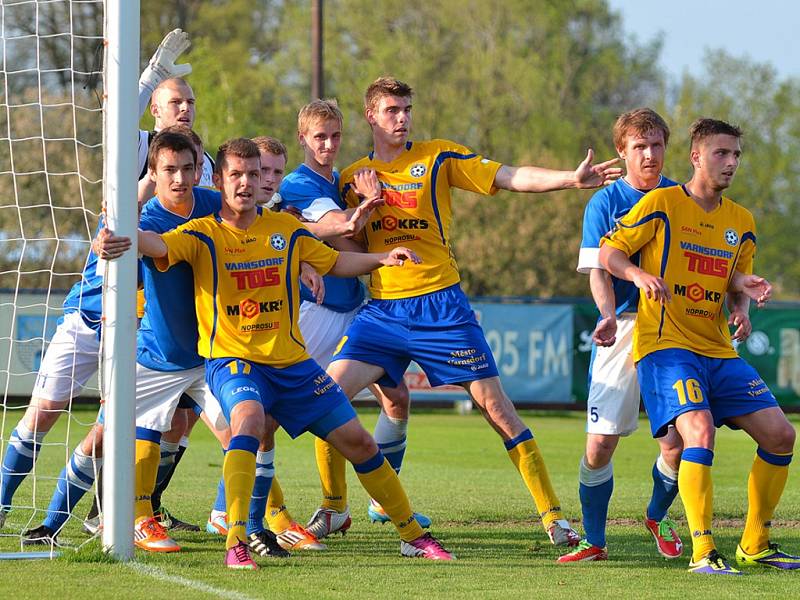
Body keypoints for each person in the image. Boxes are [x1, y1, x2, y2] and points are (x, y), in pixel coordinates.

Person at [310, 76, 622, 546]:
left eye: (407, 108)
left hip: (443, 308)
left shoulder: (438, 156)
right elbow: (346, 245)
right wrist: (365, 208)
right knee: (325, 399)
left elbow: (508, 175)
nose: (402, 117)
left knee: (499, 411)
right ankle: (334, 509)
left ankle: (553, 517)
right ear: (371, 115)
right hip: (383, 312)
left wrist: (569, 180)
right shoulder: (355, 177)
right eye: (392, 109)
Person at [125, 137, 454, 569]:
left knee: (357, 441)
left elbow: (334, 262)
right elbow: (156, 246)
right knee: (248, 420)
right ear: (220, 181)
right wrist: (119, 233)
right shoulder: (201, 234)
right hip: (234, 361)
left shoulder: (283, 229)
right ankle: (238, 539)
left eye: (254, 174)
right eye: (236, 175)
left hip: (293, 364)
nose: (246, 183)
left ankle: (412, 535)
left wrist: (383, 259)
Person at [20, 131, 243, 554]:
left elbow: (258, 232)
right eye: (169, 169)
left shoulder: (217, 208)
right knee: (101, 437)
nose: (179, 178)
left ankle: (242, 527)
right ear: (153, 174)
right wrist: (107, 248)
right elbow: (114, 273)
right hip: (157, 355)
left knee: (240, 433)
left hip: (209, 356)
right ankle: (52, 522)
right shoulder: (142, 224)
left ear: (200, 170)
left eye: (187, 168)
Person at [599, 118, 798, 574]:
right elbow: (610, 251)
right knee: (699, 430)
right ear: (696, 156)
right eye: (720, 154)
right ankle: (704, 551)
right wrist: (637, 273)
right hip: (665, 345)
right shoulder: (662, 203)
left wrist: (742, 300)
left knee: (781, 435)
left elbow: (732, 280)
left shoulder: (741, 222)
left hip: (718, 350)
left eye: (736, 156)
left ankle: (756, 543)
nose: (730, 164)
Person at [278, 99, 429, 538]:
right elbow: (337, 226)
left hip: (356, 308)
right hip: (316, 312)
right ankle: (328, 507)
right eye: (319, 137)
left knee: (398, 396)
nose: (328, 144)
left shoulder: (342, 181)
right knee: (313, 407)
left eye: (335, 136)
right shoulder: (298, 184)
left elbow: (353, 239)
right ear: (303, 139)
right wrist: (364, 207)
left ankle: (383, 499)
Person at [559, 108, 686, 562]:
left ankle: (657, 515)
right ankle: (595, 541)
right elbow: (597, 269)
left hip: (672, 326)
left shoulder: (681, 196)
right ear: (622, 151)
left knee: (677, 440)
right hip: (625, 324)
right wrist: (608, 313)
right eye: (639, 146)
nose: (649, 154)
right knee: (600, 443)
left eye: (656, 145)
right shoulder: (605, 203)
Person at [205, 135, 327, 554]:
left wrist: (307, 263)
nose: (268, 180)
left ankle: (250, 521)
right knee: (237, 430)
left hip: (242, 346)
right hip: (199, 345)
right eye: (263, 171)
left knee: (256, 427)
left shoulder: (276, 219)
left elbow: (291, 243)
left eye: (275, 172)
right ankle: (244, 518)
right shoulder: (209, 206)